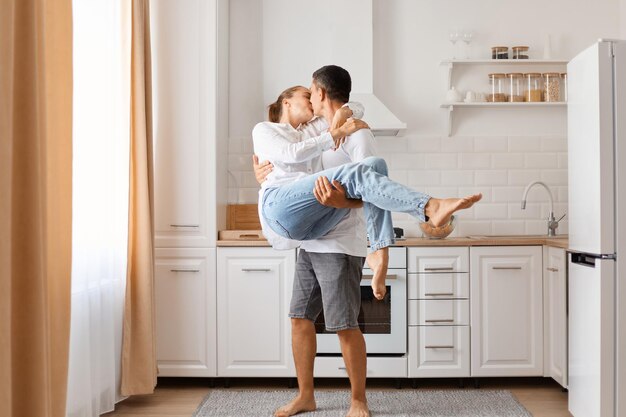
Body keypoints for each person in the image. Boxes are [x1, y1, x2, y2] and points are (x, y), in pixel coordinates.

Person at [252, 82, 481, 299]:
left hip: (309, 224)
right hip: (280, 207)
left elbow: (356, 108)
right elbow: (293, 153)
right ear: (286, 102)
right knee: (354, 172)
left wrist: (344, 111)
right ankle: (429, 206)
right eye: (306, 95)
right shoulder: (264, 130)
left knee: (375, 166)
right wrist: (336, 133)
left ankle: (380, 250)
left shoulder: (310, 129)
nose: (312, 100)